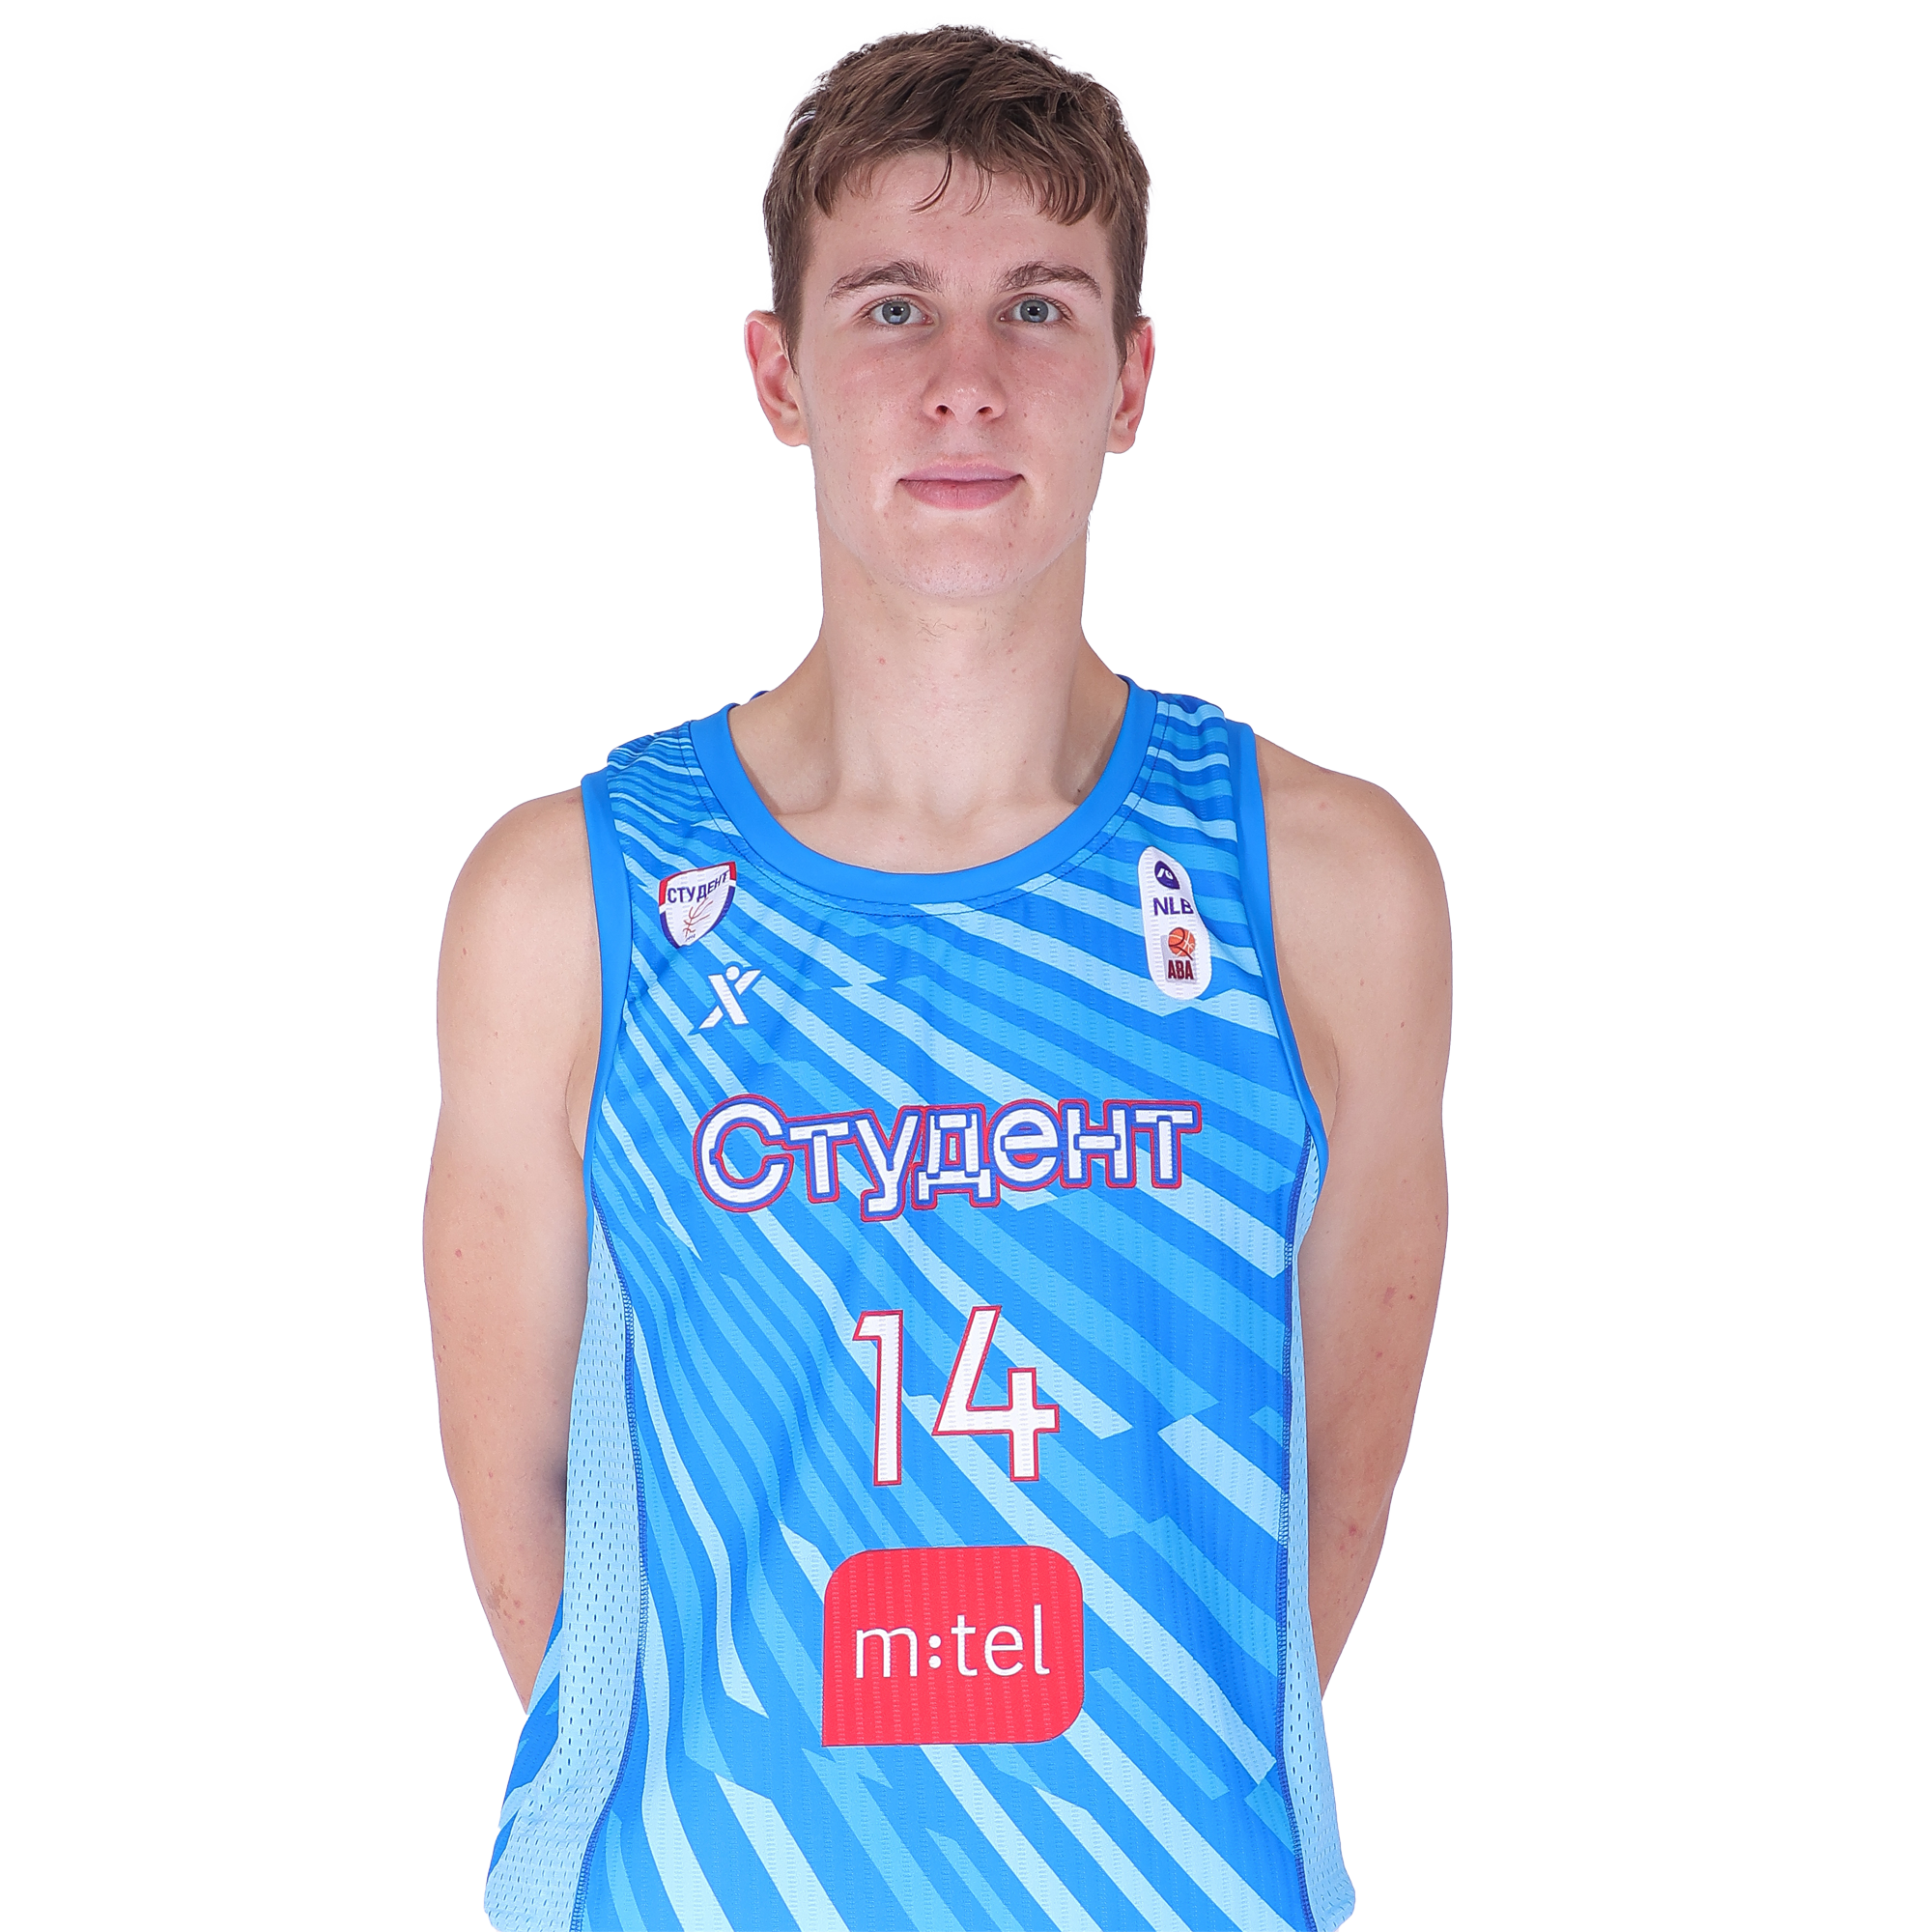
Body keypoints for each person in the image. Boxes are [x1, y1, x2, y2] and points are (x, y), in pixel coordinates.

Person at [426, 24, 1448, 1932]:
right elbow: (524, 1532)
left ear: (1131, 380)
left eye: (1038, 309)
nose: (966, 381)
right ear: (778, 373)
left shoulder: (1327, 890)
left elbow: (1328, 1510)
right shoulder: (567, 902)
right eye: (892, 307)